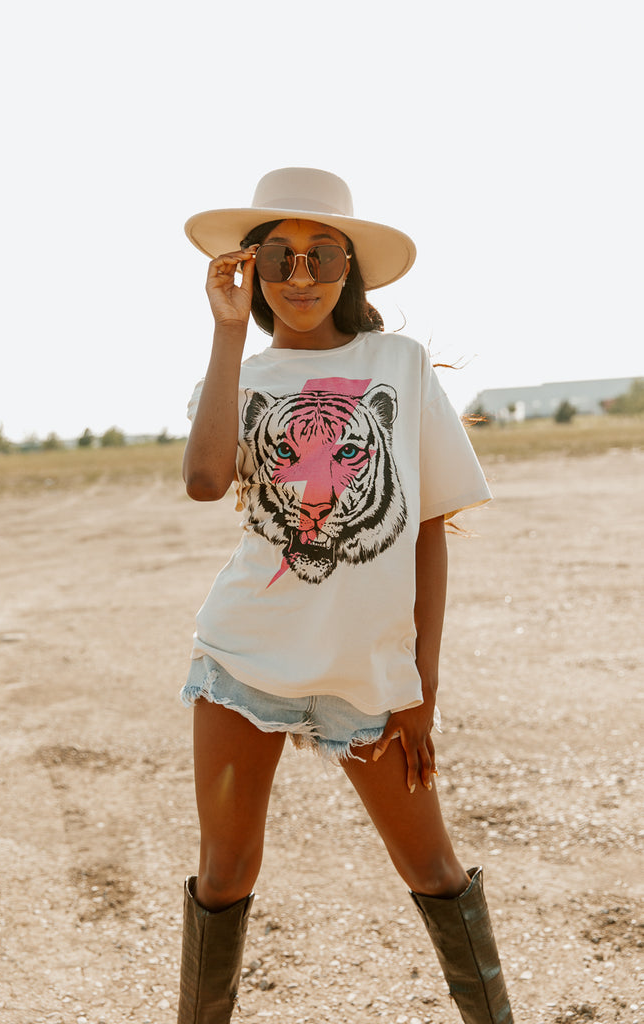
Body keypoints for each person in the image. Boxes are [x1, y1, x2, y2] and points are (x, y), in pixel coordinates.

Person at [177, 167, 513, 1024]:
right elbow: (205, 482)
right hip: (243, 659)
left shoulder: (398, 364)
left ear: (349, 267)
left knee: (432, 869)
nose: (300, 277)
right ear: (250, 269)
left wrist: (420, 685)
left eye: (320, 255)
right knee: (224, 875)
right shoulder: (240, 370)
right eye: (277, 257)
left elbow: (427, 525)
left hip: (369, 674)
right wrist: (225, 333)